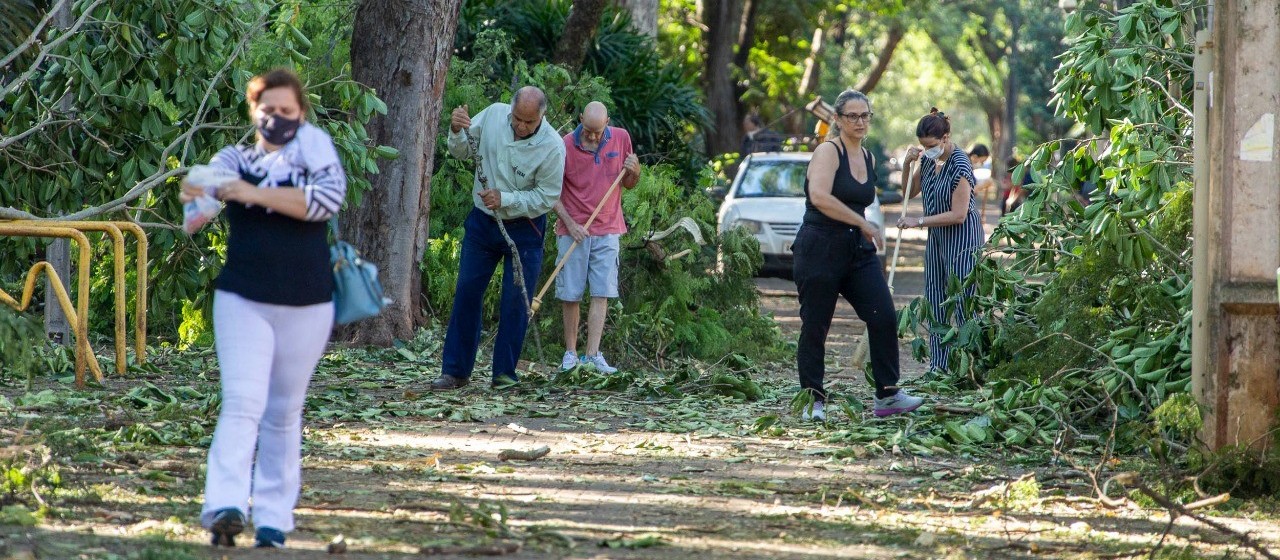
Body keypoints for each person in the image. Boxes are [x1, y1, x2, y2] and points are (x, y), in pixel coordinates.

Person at [183, 68, 347, 549]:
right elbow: (195, 210)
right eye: (267, 110)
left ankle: (274, 518)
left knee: (283, 411)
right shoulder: (235, 157)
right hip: (243, 298)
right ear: (254, 111)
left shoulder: (315, 154)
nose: (276, 119)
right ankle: (224, 506)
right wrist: (199, 191)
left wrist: (252, 193)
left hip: (308, 302)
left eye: (287, 111)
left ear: (302, 115)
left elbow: (325, 201)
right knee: (242, 403)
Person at [792, 89, 924, 421]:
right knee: (816, 325)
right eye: (853, 116)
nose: (860, 121)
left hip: (856, 250)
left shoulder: (867, 157)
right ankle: (813, 400)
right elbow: (820, 197)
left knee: (883, 316)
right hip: (820, 246)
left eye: (865, 115)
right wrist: (863, 223)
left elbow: (904, 192)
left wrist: (910, 166)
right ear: (837, 119)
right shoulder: (828, 152)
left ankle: (888, 395)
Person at [430, 86, 566, 390]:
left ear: (542, 117)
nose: (521, 126)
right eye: (517, 118)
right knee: (466, 292)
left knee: (516, 302)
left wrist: (505, 198)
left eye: (529, 122)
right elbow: (463, 151)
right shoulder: (492, 115)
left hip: (525, 228)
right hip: (482, 222)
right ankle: (455, 371)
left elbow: (546, 197)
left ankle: (504, 375)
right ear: (511, 110)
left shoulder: (553, 146)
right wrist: (456, 129)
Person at [554, 102, 641, 373]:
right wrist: (571, 223)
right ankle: (570, 355)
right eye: (588, 130)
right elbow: (550, 193)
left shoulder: (621, 137)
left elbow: (628, 183)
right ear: (580, 119)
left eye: (597, 131)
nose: (592, 136)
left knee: (601, 292)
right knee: (571, 293)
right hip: (573, 231)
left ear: (608, 122)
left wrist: (634, 170)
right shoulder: (565, 145)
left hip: (608, 228)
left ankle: (592, 355)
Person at [898, 108, 985, 378]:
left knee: (963, 300)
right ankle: (939, 366)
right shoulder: (926, 161)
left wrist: (919, 222)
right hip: (936, 237)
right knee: (935, 297)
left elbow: (959, 215)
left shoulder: (960, 164)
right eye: (923, 147)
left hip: (962, 237)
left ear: (946, 138)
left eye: (931, 146)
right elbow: (908, 193)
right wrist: (906, 164)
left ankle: (970, 365)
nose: (927, 151)